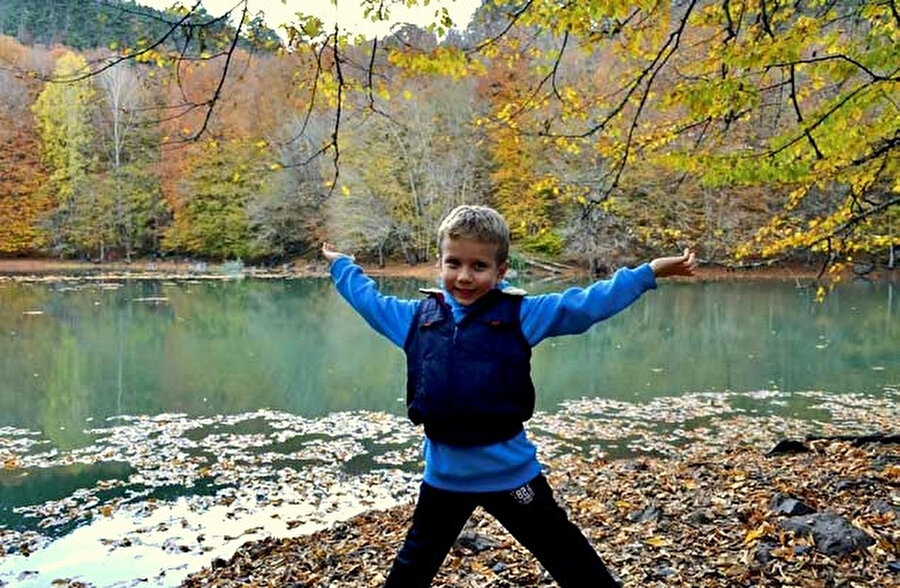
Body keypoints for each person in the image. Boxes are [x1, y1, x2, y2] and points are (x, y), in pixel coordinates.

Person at [321, 204, 697, 587]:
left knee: (568, 556)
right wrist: (341, 265)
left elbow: (584, 305)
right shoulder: (416, 320)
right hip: (445, 478)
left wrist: (648, 273)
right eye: (454, 263)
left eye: (479, 267)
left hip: (512, 474)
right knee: (411, 569)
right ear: (440, 263)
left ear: (501, 271)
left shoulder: (520, 315)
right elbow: (368, 302)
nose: (464, 277)